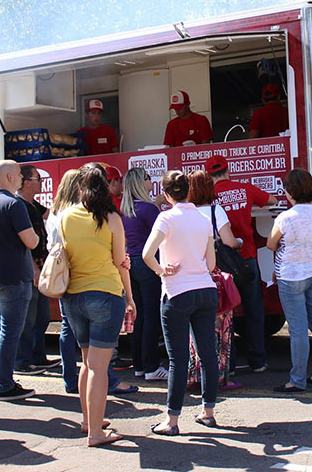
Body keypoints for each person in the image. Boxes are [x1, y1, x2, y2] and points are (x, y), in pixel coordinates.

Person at [59, 163, 135, 447]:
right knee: (99, 368)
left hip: (74, 296)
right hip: (105, 294)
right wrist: (129, 296)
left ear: (80, 188)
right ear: (105, 187)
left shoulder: (66, 216)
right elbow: (120, 261)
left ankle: (87, 420)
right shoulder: (111, 218)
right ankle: (96, 433)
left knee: (87, 362)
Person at [141, 170, 219, 436]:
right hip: (206, 291)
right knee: (208, 354)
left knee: (178, 359)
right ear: (189, 191)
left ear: (165, 194)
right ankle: (208, 412)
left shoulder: (166, 218)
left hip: (177, 292)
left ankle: (172, 421)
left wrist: (162, 270)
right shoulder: (203, 218)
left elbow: (146, 254)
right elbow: (211, 264)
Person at [207, 153, 276, 372]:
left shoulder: (208, 196)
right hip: (247, 258)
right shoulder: (245, 188)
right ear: (228, 170)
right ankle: (258, 361)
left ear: (209, 175)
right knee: (254, 310)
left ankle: (230, 363)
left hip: (222, 261)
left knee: (226, 313)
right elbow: (272, 201)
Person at [0, 160, 41, 401]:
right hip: (14, 276)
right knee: (10, 331)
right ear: (9, 177)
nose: (22, 178)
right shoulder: (14, 204)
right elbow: (31, 241)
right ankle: (4, 384)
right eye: (18, 174)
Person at [265, 169, 312, 391]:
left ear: (289, 192)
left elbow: (271, 244)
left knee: (298, 329)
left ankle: (297, 380)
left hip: (291, 274)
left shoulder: (286, 217)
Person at [187, 170, 242, 391]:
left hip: (189, 277)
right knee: (220, 329)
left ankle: (194, 375)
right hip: (213, 276)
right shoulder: (215, 210)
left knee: (192, 331)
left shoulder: (182, 212)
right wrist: (238, 241)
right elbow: (228, 241)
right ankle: (219, 376)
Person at [119, 167, 166, 381]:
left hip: (130, 262)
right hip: (147, 263)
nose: (151, 181)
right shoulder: (148, 209)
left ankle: (139, 364)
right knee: (150, 316)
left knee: (137, 316)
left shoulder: (125, 210)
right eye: (148, 178)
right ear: (140, 183)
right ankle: (151, 366)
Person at [15, 165, 57, 376]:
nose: (41, 182)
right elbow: (23, 243)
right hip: (31, 269)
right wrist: (34, 269)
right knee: (28, 319)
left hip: (41, 266)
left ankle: (38, 357)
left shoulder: (32, 204)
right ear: (26, 181)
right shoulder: (19, 205)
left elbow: (51, 213)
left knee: (42, 317)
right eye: (38, 178)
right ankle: (22, 361)